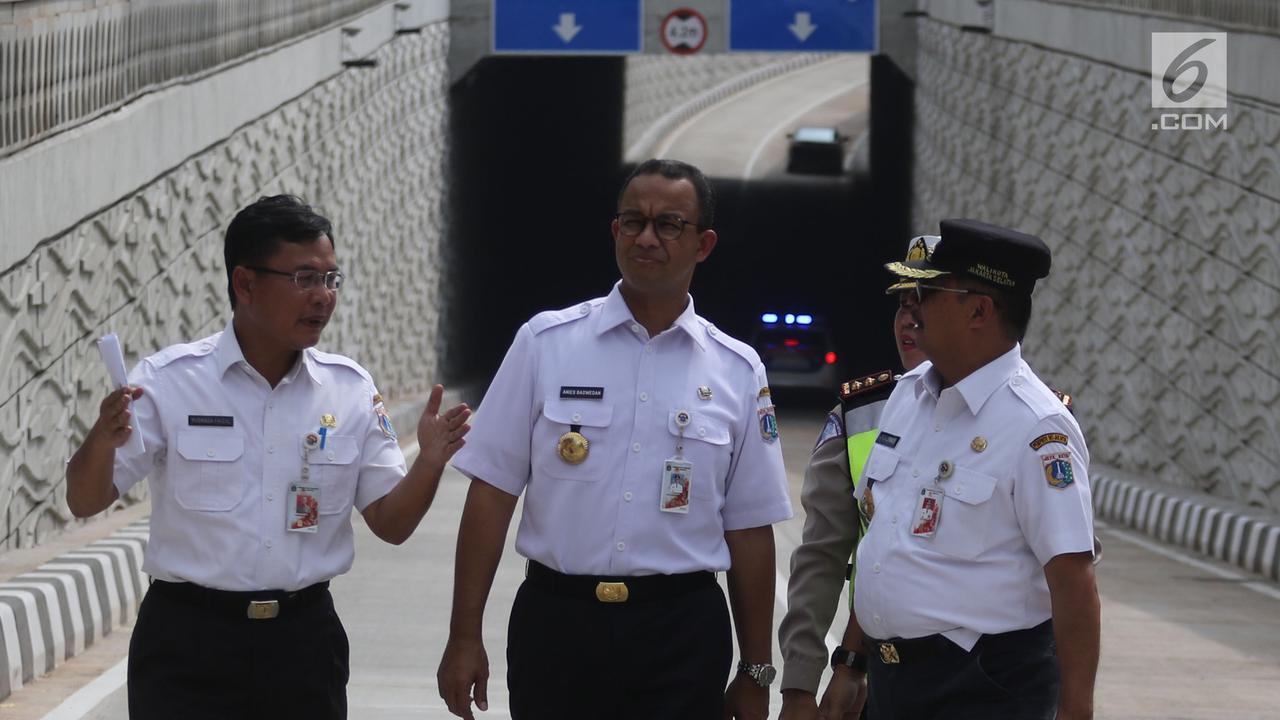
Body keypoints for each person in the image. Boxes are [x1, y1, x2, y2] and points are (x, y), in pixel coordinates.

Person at [65, 195, 471, 720]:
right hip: (188, 645)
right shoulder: (170, 382)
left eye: (330, 279)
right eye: (304, 278)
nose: (322, 297)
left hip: (302, 645)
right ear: (245, 284)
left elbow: (390, 523)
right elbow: (84, 498)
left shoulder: (347, 389)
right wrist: (102, 437)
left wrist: (430, 462)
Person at [436, 159, 793, 720]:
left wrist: (755, 670)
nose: (647, 237)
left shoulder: (737, 371)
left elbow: (749, 528)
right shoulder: (545, 343)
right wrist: (463, 636)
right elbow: (492, 494)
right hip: (558, 626)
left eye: (669, 224)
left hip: (680, 634)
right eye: (633, 221)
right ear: (614, 232)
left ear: (704, 245)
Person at [823, 219, 1100, 720]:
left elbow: (1073, 584)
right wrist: (851, 663)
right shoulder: (909, 397)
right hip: (893, 682)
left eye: (927, 293)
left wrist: (1076, 712)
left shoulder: (1037, 427)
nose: (911, 309)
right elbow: (886, 547)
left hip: (983, 688)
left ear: (978, 310)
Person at [777, 235, 938, 720]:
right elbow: (825, 556)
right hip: (882, 675)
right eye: (902, 304)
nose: (909, 318)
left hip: (991, 682)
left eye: (925, 302)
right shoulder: (863, 413)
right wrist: (803, 684)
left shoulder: (1027, 419)